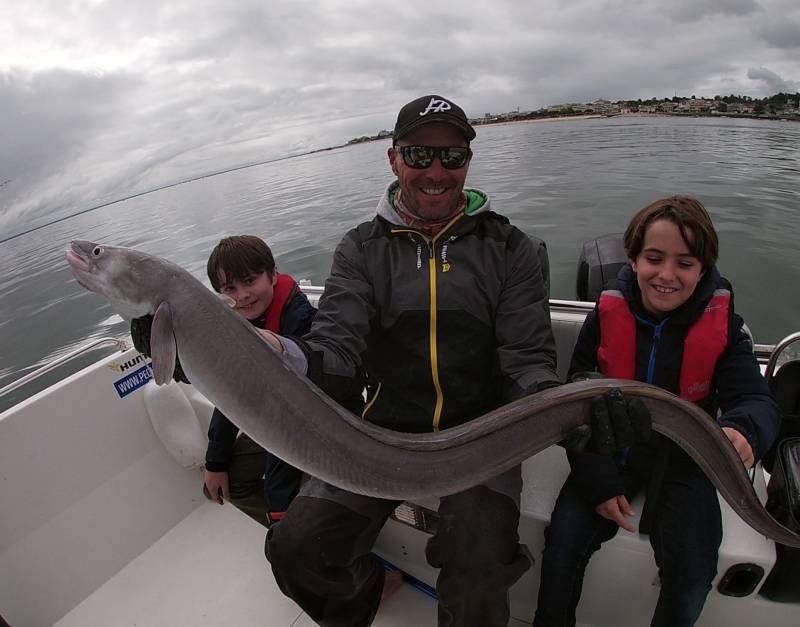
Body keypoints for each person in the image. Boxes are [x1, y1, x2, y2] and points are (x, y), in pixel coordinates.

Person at [263, 95, 560, 627]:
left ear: (468, 161)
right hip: (377, 437)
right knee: (294, 549)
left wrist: (563, 409)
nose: (437, 171)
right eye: (420, 155)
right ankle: (367, 593)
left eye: (454, 156)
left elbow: (528, 364)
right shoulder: (359, 250)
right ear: (394, 159)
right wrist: (281, 355)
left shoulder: (511, 249)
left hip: (480, 439)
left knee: (477, 568)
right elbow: (335, 351)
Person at [532, 196, 780, 627]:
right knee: (563, 544)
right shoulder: (605, 315)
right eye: (654, 258)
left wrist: (744, 430)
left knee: (693, 568)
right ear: (632, 258)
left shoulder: (725, 328)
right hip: (609, 449)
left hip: (686, 461)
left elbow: (757, 401)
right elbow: (575, 398)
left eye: (685, 263)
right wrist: (598, 479)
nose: (667, 275)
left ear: (703, 268)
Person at [131, 235, 316, 527]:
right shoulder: (236, 325)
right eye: (230, 288)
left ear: (273, 274)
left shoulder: (304, 320)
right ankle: (292, 527)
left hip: (311, 427)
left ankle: (291, 527)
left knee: (281, 493)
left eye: (250, 281)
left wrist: (280, 504)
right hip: (270, 424)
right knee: (220, 483)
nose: (242, 296)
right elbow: (229, 395)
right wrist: (215, 463)